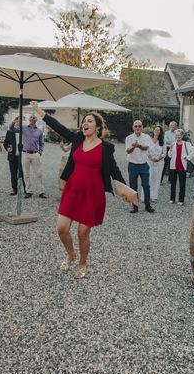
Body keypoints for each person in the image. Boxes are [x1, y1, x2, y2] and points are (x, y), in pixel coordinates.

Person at [30, 101, 130, 279]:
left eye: (90, 121)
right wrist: (40, 111)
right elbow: (58, 127)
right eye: (84, 121)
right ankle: (71, 254)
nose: (85, 123)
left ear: (98, 127)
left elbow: (114, 170)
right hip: (73, 189)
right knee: (61, 228)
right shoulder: (77, 139)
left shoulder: (106, 148)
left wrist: (125, 191)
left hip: (93, 192)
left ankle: (83, 262)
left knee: (82, 232)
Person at [125, 120, 155, 213]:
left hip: (143, 165)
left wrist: (139, 145)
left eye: (139, 126)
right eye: (136, 126)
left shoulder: (147, 137)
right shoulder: (129, 138)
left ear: (142, 127)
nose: (137, 128)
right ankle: (135, 206)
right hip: (132, 164)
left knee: (146, 186)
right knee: (133, 186)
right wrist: (134, 146)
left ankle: (147, 206)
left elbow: (146, 147)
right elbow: (128, 151)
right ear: (133, 127)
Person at [167, 128, 194, 206]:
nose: (178, 137)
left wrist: (187, 158)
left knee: (182, 184)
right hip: (173, 166)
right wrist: (170, 149)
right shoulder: (173, 144)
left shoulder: (186, 144)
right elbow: (169, 156)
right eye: (176, 135)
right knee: (173, 184)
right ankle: (172, 199)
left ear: (182, 135)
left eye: (179, 135)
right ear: (175, 136)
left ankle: (181, 200)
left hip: (182, 166)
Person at [20, 113, 46, 199]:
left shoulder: (39, 131)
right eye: (31, 117)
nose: (32, 118)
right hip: (25, 153)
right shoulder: (23, 128)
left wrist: (40, 152)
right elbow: (13, 129)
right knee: (26, 174)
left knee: (39, 173)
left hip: (35, 154)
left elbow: (42, 143)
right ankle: (29, 191)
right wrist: (14, 122)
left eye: (34, 117)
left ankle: (41, 192)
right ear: (29, 119)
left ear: (36, 120)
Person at [138, 125, 165, 203]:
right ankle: (144, 197)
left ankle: (154, 197)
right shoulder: (149, 140)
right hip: (149, 162)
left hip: (159, 163)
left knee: (156, 180)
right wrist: (150, 158)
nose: (157, 132)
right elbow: (146, 151)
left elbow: (164, 153)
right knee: (147, 180)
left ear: (160, 132)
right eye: (156, 130)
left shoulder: (163, 141)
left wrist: (159, 158)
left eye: (158, 130)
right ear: (153, 131)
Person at [3, 116, 20, 195]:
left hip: (22, 157)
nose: (18, 122)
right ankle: (14, 189)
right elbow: (5, 143)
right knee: (13, 173)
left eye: (20, 121)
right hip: (12, 156)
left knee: (22, 173)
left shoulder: (24, 132)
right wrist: (7, 148)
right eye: (17, 120)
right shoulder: (10, 131)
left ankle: (26, 190)